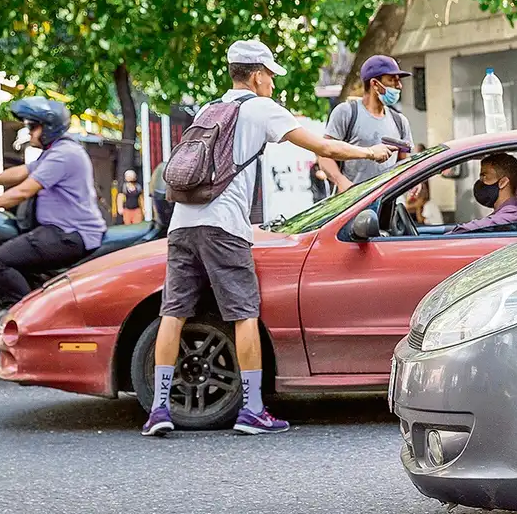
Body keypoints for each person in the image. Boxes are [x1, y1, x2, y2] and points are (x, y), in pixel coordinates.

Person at [142, 39, 394, 437]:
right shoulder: (259, 108)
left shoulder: (209, 109)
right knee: (243, 313)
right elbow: (321, 145)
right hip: (224, 226)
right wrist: (370, 154)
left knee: (173, 312)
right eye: (271, 76)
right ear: (257, 75)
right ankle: (253, 410)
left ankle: (158, 410)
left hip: (182, 224)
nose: (273, 84)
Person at [0, 97, 106, 307]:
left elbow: (23, 191)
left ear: (49, 128)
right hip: (61, 231)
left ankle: (22, 319)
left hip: (68, 234)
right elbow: (21, 172)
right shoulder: (55, 151)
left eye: (33, 127)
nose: (29, 132)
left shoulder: (63, 155)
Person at [317, 55, 414, 192]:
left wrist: (412, 180)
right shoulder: (347, 113)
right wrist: (341, 181)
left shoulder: (400, 121)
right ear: (374, 84)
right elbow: (324, 156)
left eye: (398, 81)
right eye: (392, 80)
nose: (399, 86)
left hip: (388, 206)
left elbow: (404, 161)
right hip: (354, 205)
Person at [451, 153, 517, 234]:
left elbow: (472, 228)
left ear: (503, 182)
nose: (481, 182)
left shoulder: (513, 214)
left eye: (485, 177)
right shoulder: (504, 212)